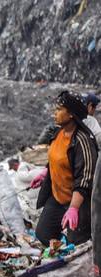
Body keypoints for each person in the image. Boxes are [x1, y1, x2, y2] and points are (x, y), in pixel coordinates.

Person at [34, 90, 97, 246]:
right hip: (57, 197)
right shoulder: (57, 134)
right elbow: (56, 158)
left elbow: (85, 178)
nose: (54, 113)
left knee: (78, 244)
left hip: (78, 203)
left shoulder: (82, 141)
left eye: (59, 110)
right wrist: (45, 173)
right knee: (43, 234)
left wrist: (74, 208)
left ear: (71, 115)